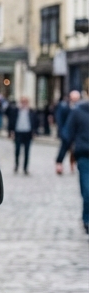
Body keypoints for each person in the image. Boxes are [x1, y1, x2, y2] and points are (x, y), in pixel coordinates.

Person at [56, 92, 89, 233]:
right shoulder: (78, 112)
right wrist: (59, 159)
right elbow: (67, 136)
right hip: (84, 156)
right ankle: (87, 219)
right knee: (87, 190)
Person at [8, 95, 35, 174]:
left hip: (27, 133)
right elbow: (11, 121)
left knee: (27, 151)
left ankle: (25, 168)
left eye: (25, 102)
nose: (24, 104)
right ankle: (16, 165)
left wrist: (34, 132)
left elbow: (34, 122)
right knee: (17, 150)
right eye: (22, 102)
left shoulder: (31, 111)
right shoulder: (16, 110)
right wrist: (11, 132)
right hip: (18, 132)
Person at [55, 90, 80, 174]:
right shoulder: (64, 106)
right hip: (66, 132)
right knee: (63, 149)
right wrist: (62, 131)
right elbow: (59, 119)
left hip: (77, 134)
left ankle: (73, 165)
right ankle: (59, 164)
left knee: (75, 150)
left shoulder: (80, 107)